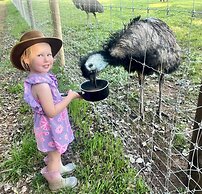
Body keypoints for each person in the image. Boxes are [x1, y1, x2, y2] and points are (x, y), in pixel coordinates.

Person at [10, 30, 81, 191]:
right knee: (55, 151)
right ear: (26, 59)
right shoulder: (41, 85)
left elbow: (52, 98)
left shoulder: (41, 77)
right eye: (40, 55)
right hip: (51, 126)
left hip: (49, 126)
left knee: (54, 151)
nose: (47, 59)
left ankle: (57, 166)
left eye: (49, 54)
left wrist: (71, 96)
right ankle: (54, 178)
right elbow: (51, 111)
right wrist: (69, 98)